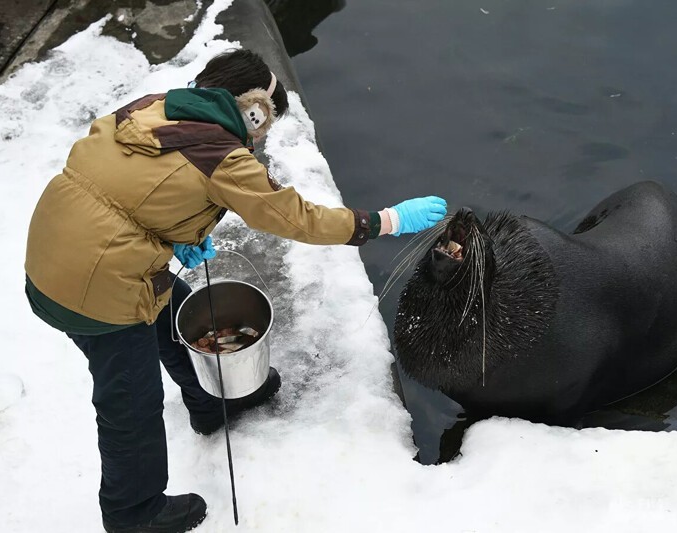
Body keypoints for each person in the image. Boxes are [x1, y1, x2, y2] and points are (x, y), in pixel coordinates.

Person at [24, 49, 447, 533]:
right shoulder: (221, 156)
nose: (259, 138)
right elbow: (295, 217)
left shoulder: (152, 107)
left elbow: (130, 184)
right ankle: (133, 513)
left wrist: (176, 233)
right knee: (129, 402)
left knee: (177, 306)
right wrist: (384, 221)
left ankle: (211, 400)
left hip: (54, 254)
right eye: (263, 125)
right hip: (92, 289)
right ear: (252, 109)